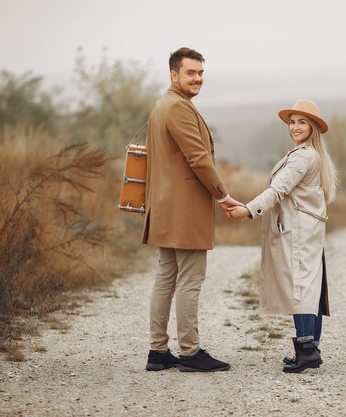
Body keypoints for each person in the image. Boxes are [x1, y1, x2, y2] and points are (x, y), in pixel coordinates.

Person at [142, 47, 241, 372]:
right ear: (174, 75)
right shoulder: (178, 108)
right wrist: (223, 195)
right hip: (183, 210)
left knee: (167, 277)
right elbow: (198, 158)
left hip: (165, 206)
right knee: (189, 280)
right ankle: (189, 352)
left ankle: (158, 352)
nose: (198, 78)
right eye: (191, 73)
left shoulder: (164, 105)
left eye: (200, 73)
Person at [229, 99, 337, 373]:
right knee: (310, 287)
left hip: (299, 230)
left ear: (312, 127)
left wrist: (248, 210)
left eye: (302, 122)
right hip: (307, 229)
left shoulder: (303, 157)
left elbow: (278, 190)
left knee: (300, 287)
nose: (295, 127)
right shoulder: (310, 154)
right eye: (292, 122)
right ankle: (310, 347)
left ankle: (306, 350)